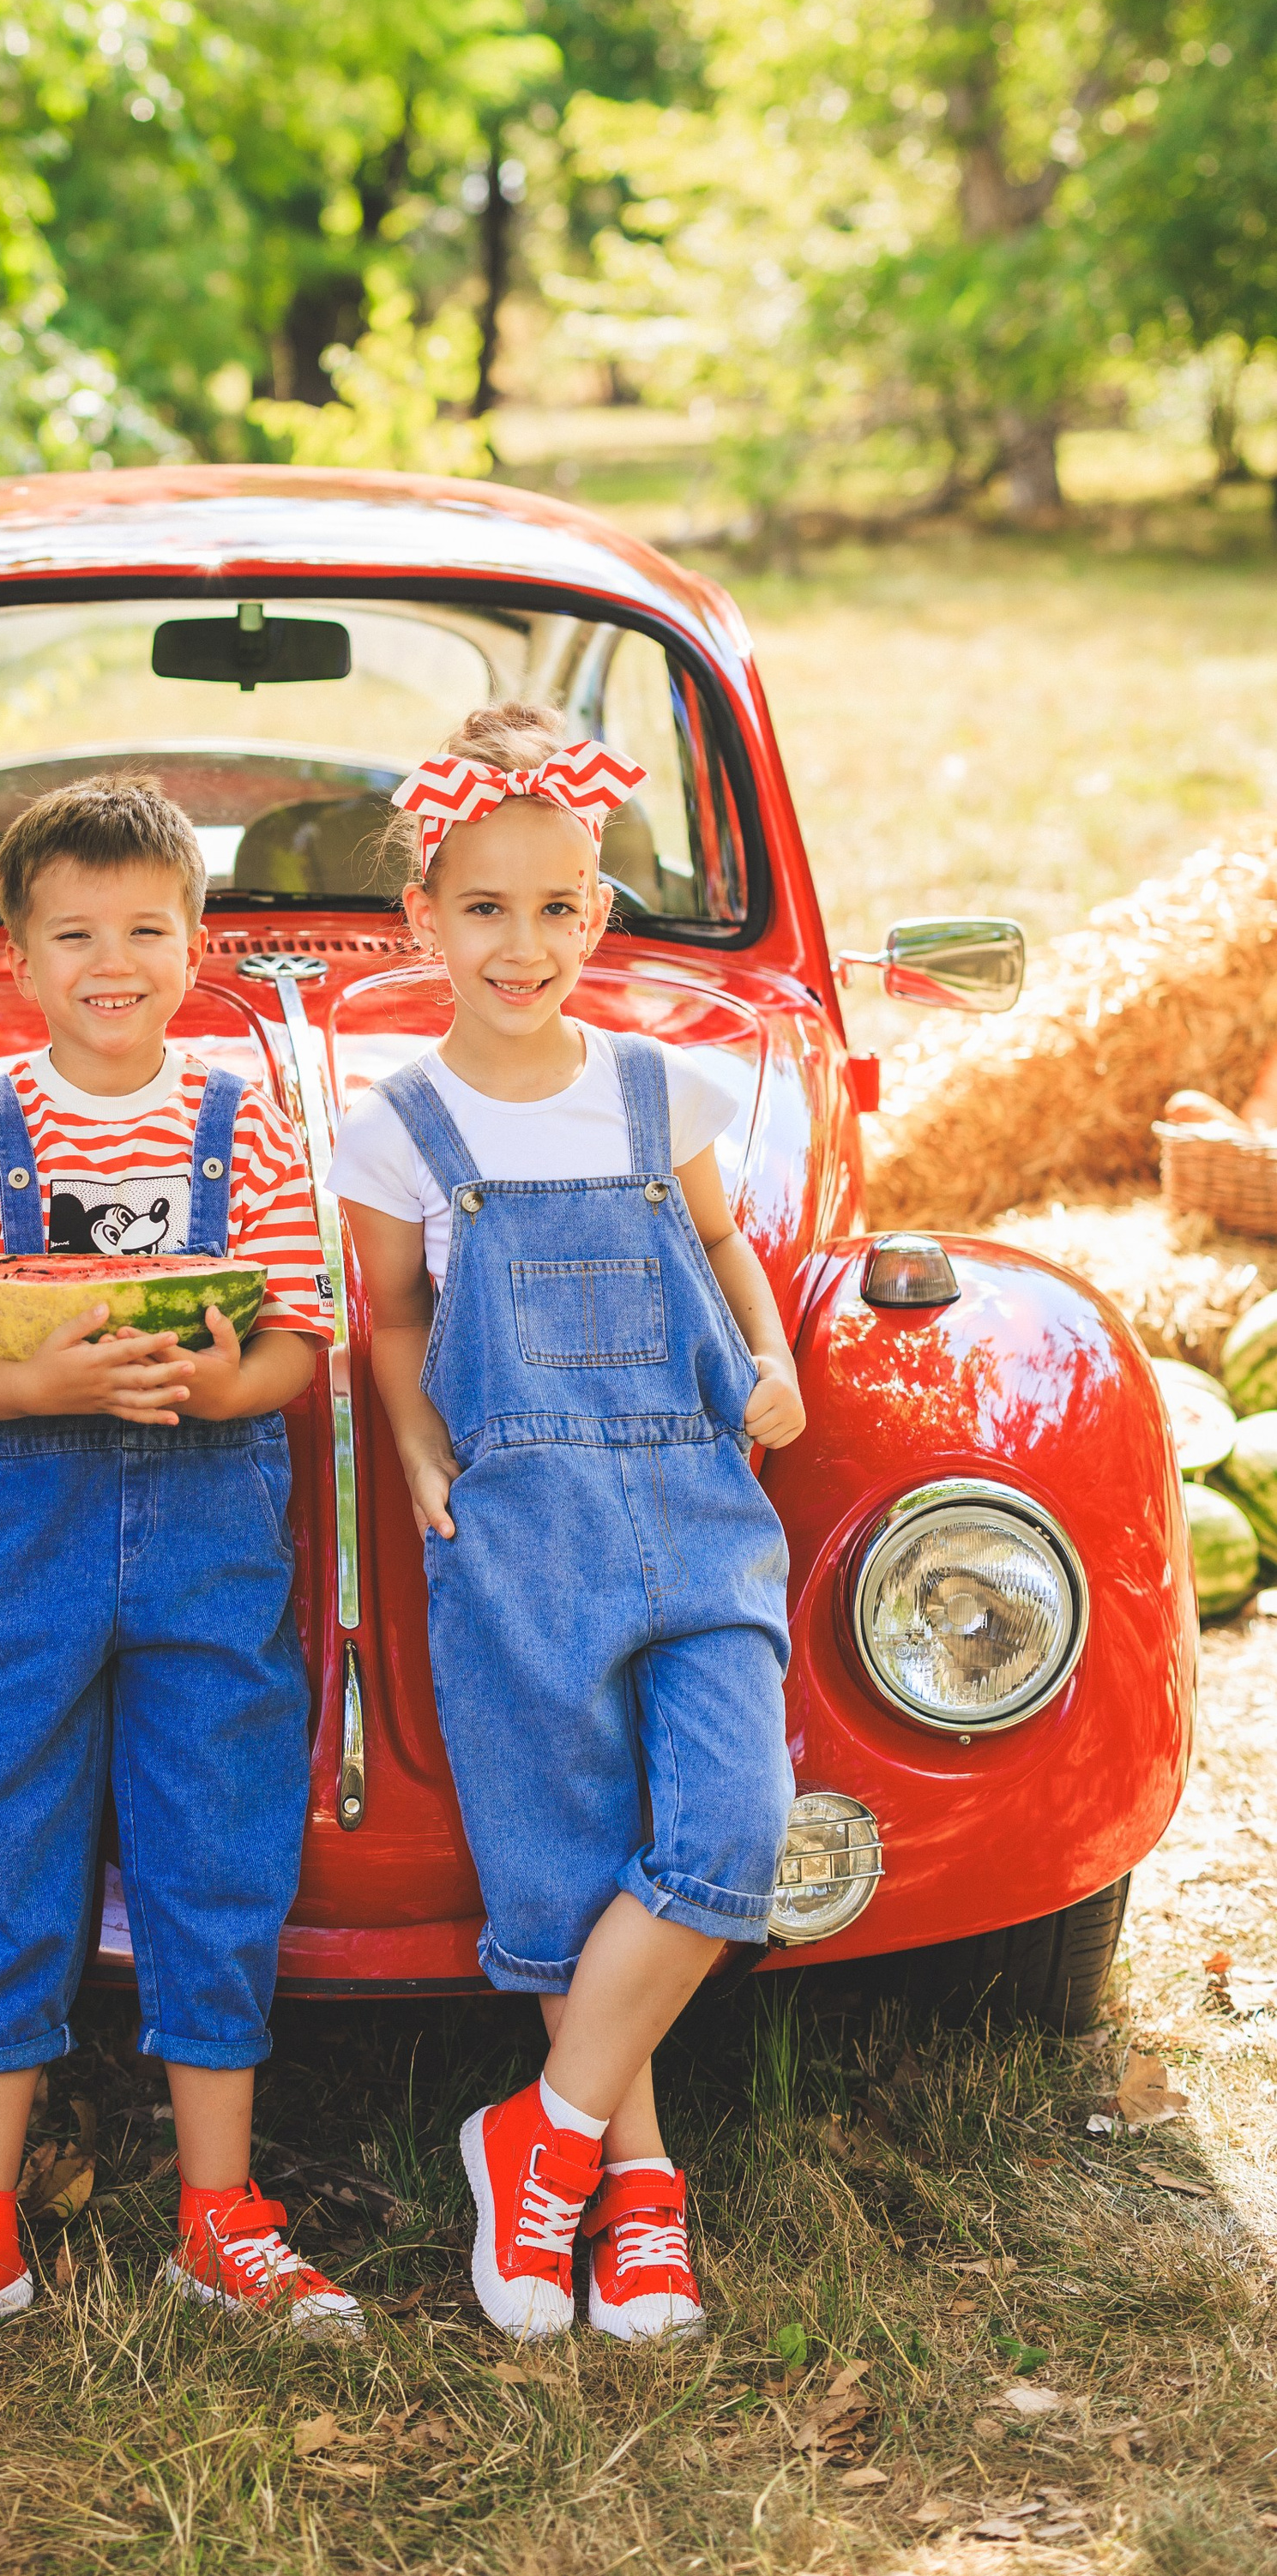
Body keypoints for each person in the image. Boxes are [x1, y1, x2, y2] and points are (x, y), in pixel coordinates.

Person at [0, 773, 360, 2362]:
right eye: (74, 932)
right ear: (19, 957)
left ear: (198, 942)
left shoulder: (241, 1124)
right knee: (11, 1851)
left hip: (210, 1529)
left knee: (218, 1851)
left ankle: (221, 2218)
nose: (112, 959)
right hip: (26, 1533)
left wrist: (216, 1382)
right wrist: (46, 1384)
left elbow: (299, 1342)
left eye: (146, 926)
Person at [330, 701, 804, 2344]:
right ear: (424, 922)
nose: (519, 945)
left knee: (731, 1826)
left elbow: (728, 1249)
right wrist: (410, 1457)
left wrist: (773, 1358)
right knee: (568, 1856)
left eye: (554, 909)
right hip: (519, 1520)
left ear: (599, 914)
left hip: (693, 1487)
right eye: (482, 908)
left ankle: (539, 2132)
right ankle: (637, 2188)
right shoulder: (396, 1124)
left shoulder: (657, 1088)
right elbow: (389, 1320)